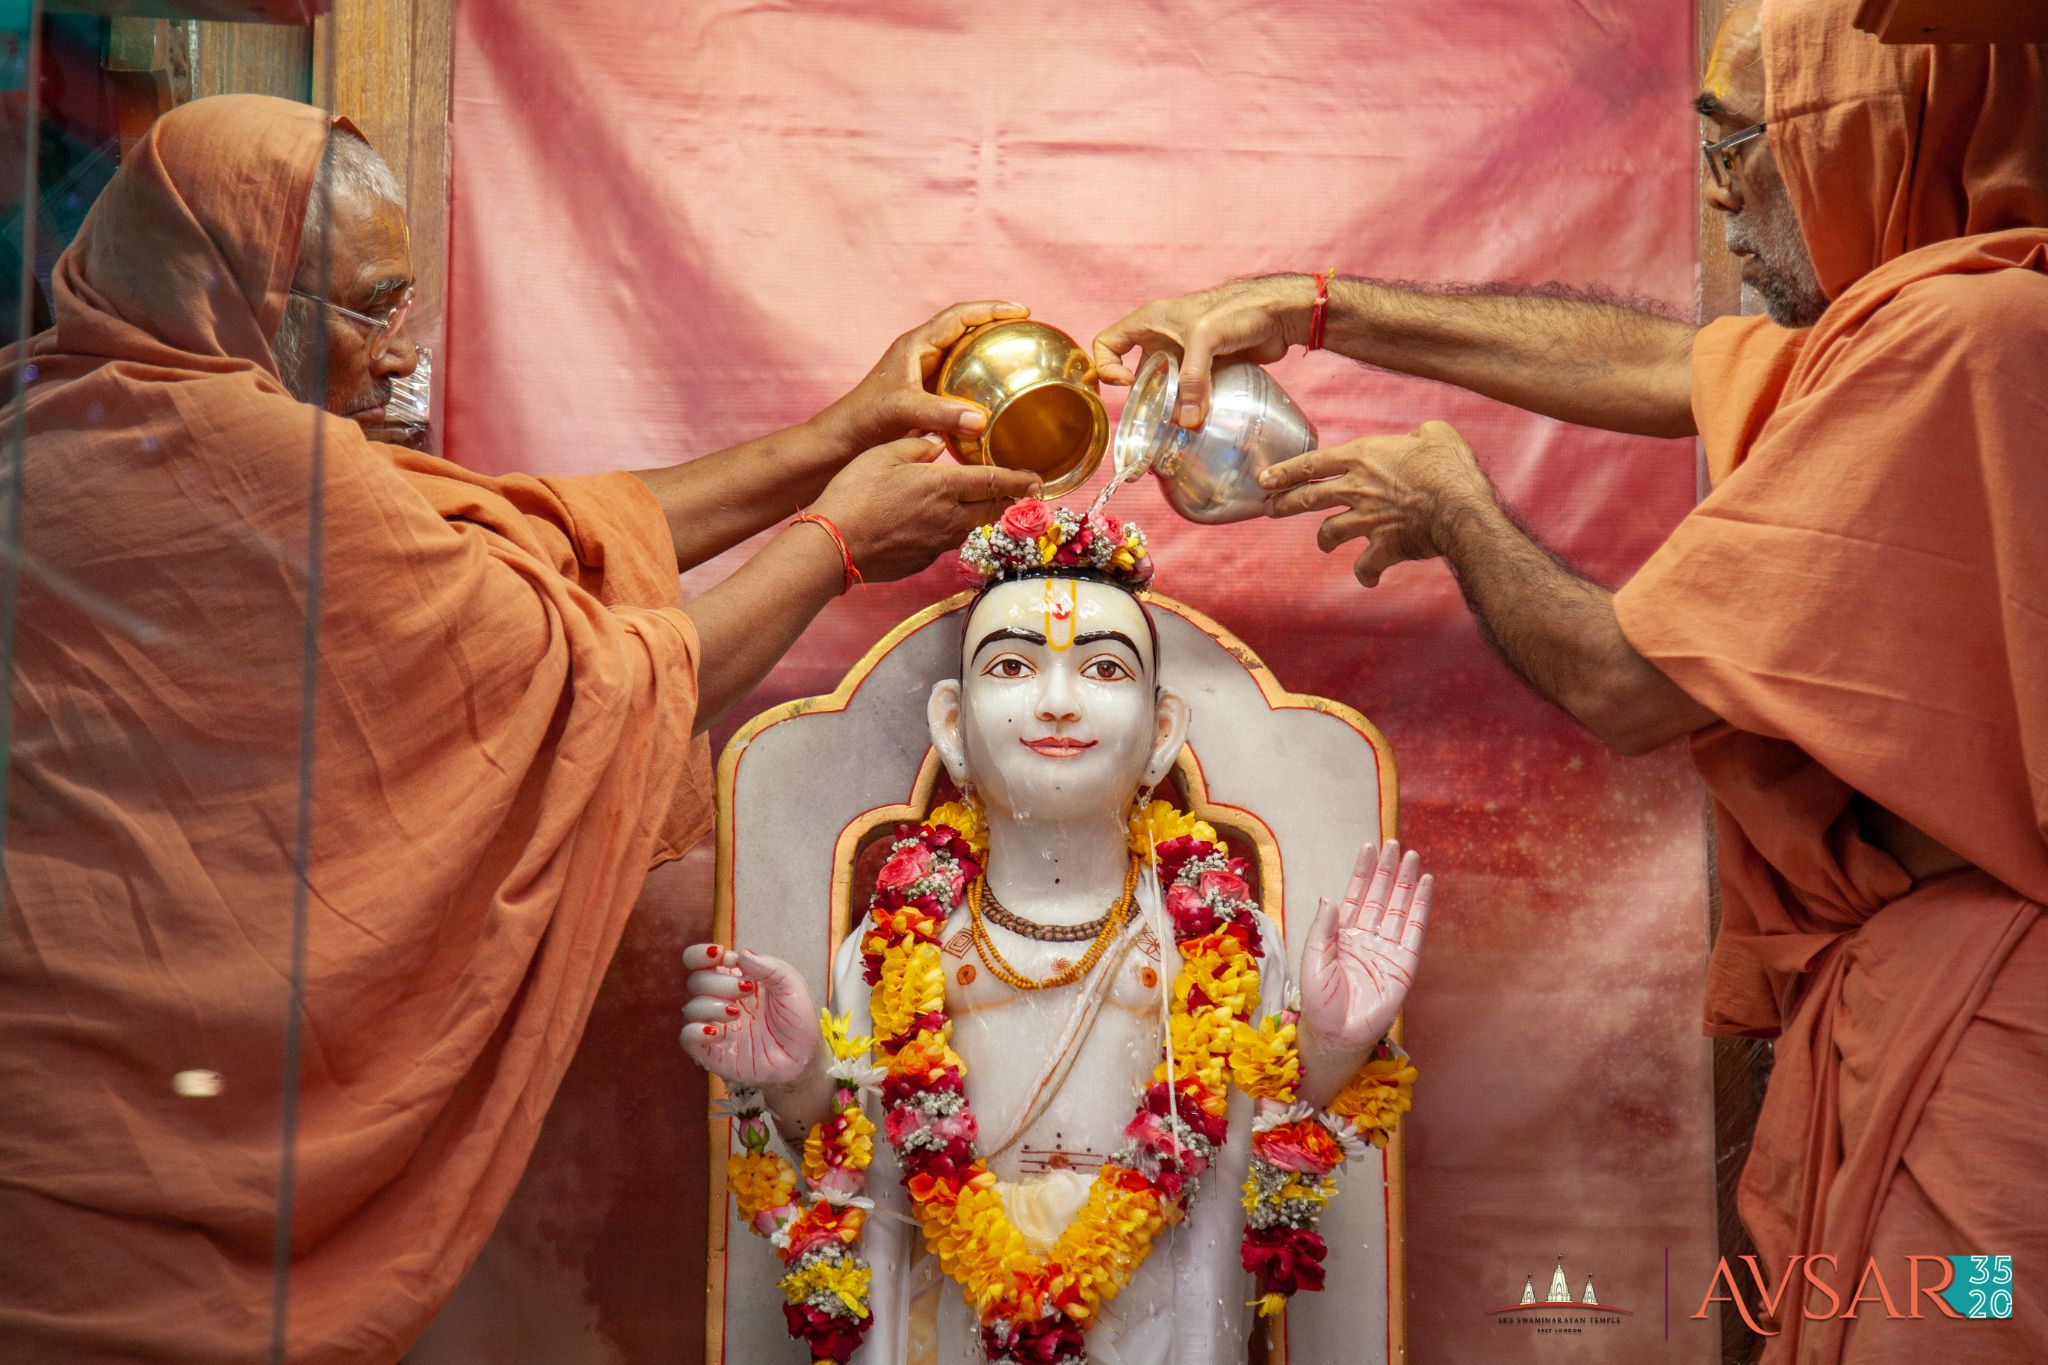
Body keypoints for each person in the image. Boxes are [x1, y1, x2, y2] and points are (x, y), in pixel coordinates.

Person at [0, 94, 1037, 1364]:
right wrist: (835, 546)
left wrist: (832, 441)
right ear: (242, 288)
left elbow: (534, 528)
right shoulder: (262, 468)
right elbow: (603, 682)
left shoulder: (62, 410)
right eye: (370, 308)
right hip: (147, 1172)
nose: (399, 352)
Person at [1095, 1, 2046, 1361]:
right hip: (1916, 1000)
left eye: (1745, 136)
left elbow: (1626, 684)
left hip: (1993, 1019)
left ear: (1872, 133)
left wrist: (1462, 512)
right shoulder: (1931, 325)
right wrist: (1316, 308)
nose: (1720, 182)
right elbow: (1664, 364)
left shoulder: (1963, 340)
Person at [679, 504, 1431, 1365]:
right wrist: (799, 1081)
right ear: (953, 728)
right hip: (953, 1325)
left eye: (1105, 668)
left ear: (1163, 732)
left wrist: (1334, 1045)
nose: (1060, 702)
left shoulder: (1220, 941)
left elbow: (1270, 1152)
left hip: (1162, 1326)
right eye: (1012, 664)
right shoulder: (896, 946)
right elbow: (864, 1175)